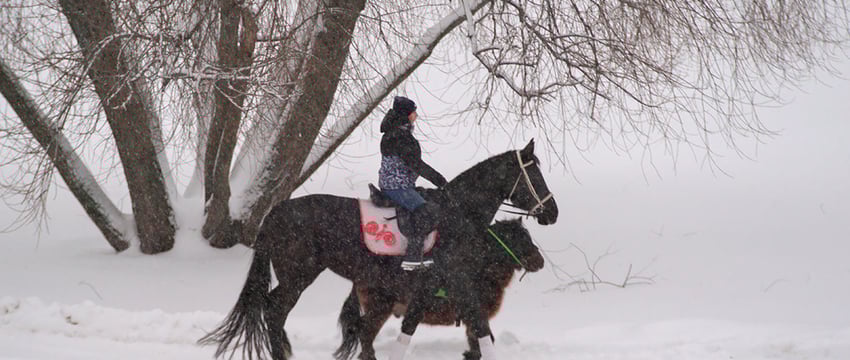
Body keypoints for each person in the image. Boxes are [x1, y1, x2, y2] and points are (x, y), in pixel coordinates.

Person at [379, 96, 447, 271]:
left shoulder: (398, 132)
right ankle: (413, 256)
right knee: (424, 212)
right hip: (396, 186)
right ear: (406, 114)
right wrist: (440, 180)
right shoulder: (399, 136)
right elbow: (415, 164)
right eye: (413, 112)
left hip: (401, 183)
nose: (416, 115)